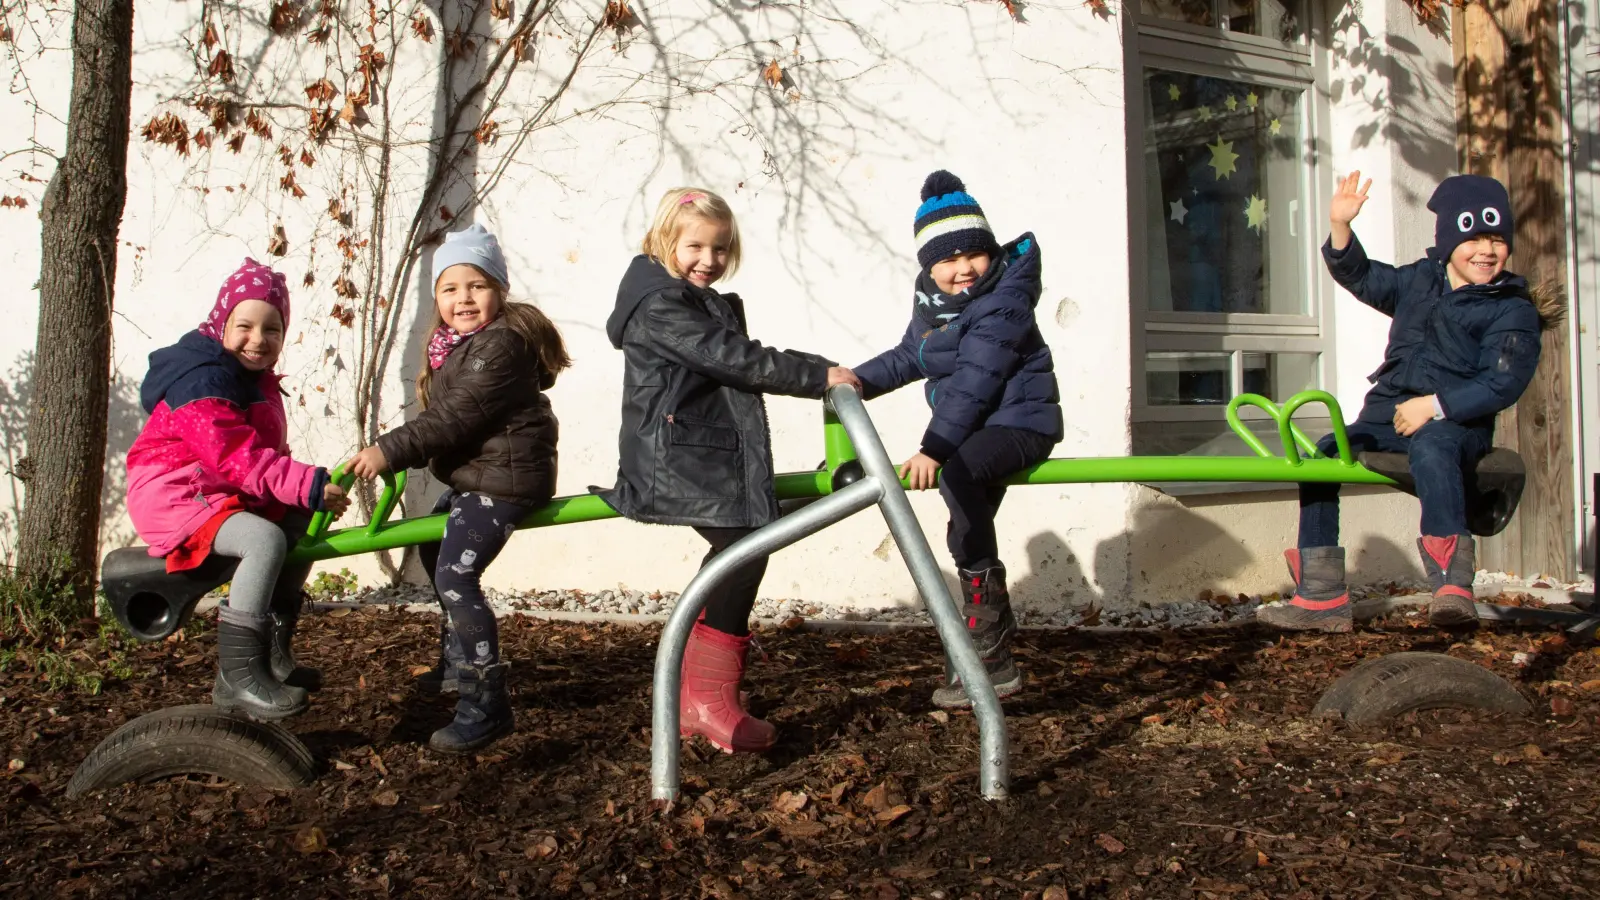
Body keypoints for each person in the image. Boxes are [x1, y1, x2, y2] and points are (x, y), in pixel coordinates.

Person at [595, 186, 860, 753]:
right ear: (664, 240)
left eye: (720, 249)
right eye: (695, 246)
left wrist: (821, 369)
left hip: (703, 454)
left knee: (738, 552)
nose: (708, 261)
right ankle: (708, 700)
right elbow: (730, 357)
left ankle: (699, 697)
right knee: (744, 548)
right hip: (676, 460)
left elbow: (735, 353)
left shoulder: (698, 301)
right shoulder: (660, 306)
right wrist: (817, 376)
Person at [1257, 172, 1549, 633]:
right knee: (1322, 456)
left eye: (1497, 241)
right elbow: (1364, 277)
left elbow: (1503, 381)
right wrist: (1340, 226)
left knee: (1433, 447)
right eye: (1474, 239)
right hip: (1387, 413)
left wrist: (1435, 406)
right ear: (1449, 241)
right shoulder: (1419, 281)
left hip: (1457, 422)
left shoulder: (1510, 307)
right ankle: (1320, 597)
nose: (1486, 252)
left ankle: (1452, 588)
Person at [347, 223, 571, 752]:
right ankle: (456, 666)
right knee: (432, 544)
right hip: (483, 475)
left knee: (455, 575)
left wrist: (388, 449)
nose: (463, 298)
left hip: (506, 481)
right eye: (450, 288)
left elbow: (454, 418)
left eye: (477, 285)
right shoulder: (457, 346)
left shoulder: (500, 347)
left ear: (499, 289)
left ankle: (485, 701)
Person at [853, 170, 1062, 709]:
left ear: (991, 253)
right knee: (963, 513)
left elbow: (976, 379)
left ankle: (987, 636)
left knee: (958, 475)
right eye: (947, 259)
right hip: (972, 430)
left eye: (974, 253)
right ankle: (982, 639)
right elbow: (910, 357)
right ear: (928, 265)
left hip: (1019, 422)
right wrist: (852, 381)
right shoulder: (931, 306)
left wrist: (933, 449)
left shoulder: (1004, 299)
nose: (963, 268)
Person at [126, 259, 350, 720]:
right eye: (244, 325)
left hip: (212, 487)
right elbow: (234, 455)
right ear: (221, 323)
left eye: (273, 329)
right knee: (263, 539)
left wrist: (307, 492)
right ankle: (239, 677)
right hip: (174, 493)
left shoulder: (255, 381)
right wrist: (305, 483)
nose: (258, 339)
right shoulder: (203, 380)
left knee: (295, 524)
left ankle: (271, 653)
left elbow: (263, 454)